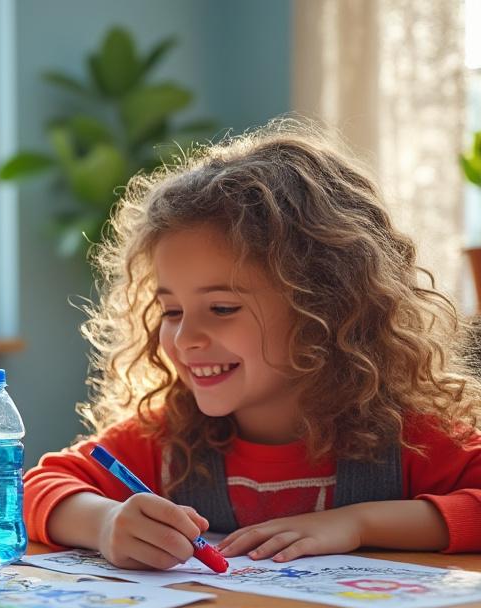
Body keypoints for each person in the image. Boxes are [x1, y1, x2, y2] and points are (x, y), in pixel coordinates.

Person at [24, 124, 481, 568]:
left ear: (324, 307)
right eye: (172, 312)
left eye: (222, 309)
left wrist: (360, 523)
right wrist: (105, 522)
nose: (185, 338)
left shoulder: (411, 438)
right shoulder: (168, 441)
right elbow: (33, 488)